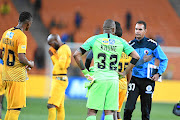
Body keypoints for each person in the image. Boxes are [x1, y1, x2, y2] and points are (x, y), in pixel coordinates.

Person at [73, 19, 140, 120]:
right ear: (114, 29)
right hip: (113, 80)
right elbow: (136, 56)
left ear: (103, 29)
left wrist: (86, 73)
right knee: (109, 112)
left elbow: (76, 55)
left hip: (98, 78)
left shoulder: (94, 39)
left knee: (92, 111)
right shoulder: (121, 41)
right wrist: (125, 72)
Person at [123, 20, 168, 120]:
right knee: (128, 109)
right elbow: (126, 63)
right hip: (134, 79)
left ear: (145, 31)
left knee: (146, 111)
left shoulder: (152, 45)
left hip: (148, 80)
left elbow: (164, 59)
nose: (137, 31)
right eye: (136, 29)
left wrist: (159, 73)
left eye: (140, 29)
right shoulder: (130, 45)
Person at [0, 11, 34, 120]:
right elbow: (21, 57)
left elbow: (0, 52)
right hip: (17, 77)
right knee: (16, 108)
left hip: (6, 74)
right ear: (28, 23)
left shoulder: (6, 32)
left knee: (10, 108)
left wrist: (7, 61)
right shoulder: (21, 36)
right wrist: (30, 64)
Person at [47, 34, 71, 120]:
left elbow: (61, 65)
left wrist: (53, 56)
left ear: (55, 41)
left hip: (59, 79)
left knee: (51, 104)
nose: (51, 46)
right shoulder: (63, 49)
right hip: (61, 78)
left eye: (51, 44)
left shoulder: (63, 49)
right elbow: (58, 65)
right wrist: (54, 55)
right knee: (60, 107)